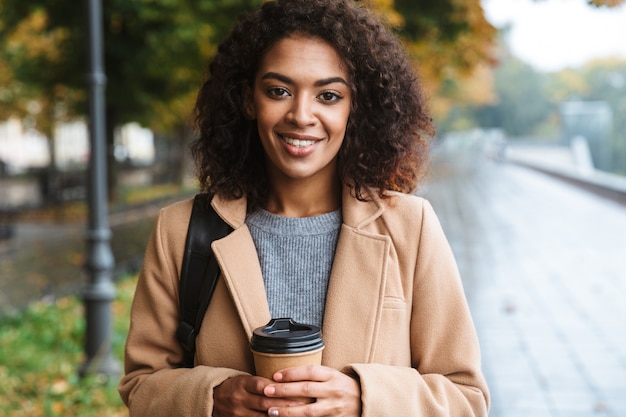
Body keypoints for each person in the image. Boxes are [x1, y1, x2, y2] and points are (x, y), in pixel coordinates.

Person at [118, 0, 490, 415]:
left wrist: (365, 398)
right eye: (278, 91)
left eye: (328, 95)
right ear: (247, 100)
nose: (301, 115)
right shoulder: (181, 230)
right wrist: (213, 397)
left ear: (355, 107)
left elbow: (466, 398)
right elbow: (141, 386)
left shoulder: (411, 226)